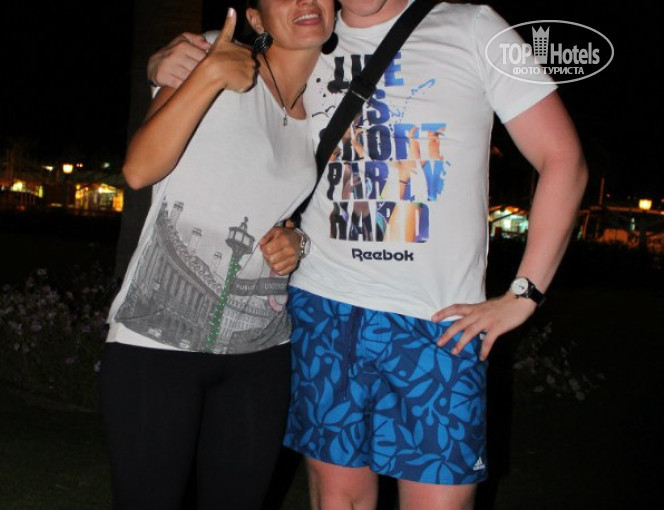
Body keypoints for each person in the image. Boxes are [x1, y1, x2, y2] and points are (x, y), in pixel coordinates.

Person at [146, 1, 589, 509]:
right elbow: (221, 62)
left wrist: (524, 294)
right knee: (338, 499)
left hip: (438, 323)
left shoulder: (474, 28)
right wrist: (160, 63)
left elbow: (563, 159)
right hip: (323, 311)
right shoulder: (307, 36)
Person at [100, 2, 335, 509]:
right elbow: (139, 169)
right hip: (155, 344)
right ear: (255, 18)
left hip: (262, 352)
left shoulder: (326, 104)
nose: (305, 2)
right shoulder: (213, 52)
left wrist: (299, 242)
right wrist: (207, 74)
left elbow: (305, 212)